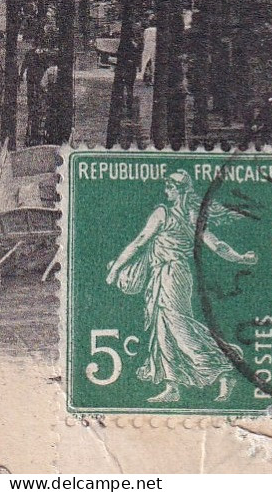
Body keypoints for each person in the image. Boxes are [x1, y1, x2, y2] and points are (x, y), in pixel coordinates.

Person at [105, 171, 257, 403]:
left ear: (176, 190)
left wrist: (116, 268)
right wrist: (241, 258)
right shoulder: (192, 215)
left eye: (169, 187)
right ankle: (172, 386)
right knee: (163, 328)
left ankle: (225, 368)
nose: (166, 191)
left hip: (172, 275)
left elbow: (139, 243)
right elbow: (218, 246)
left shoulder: (162, 213)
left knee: (179, 327)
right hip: (167, 275)